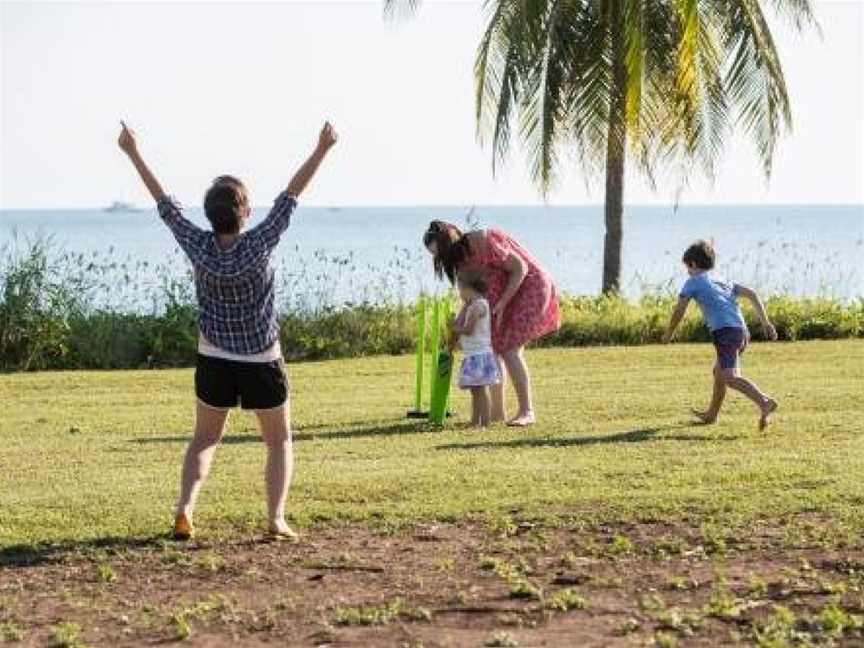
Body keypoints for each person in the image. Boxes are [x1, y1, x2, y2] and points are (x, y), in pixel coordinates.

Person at [117, 119, 338, 541]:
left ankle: (185, 508)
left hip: (214, 356)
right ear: (245, 214)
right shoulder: (259, 242)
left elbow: (165, 204)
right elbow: (291, 196)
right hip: (261, 358)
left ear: (210, 215)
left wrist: (133, 152)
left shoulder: (198, 244)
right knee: (278, 441)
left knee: (204, 439)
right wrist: (322, 148)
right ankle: (275, 519)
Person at [424, 221, 560, 426]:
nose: (441, 260)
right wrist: (455, 334)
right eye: (436, 256)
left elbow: (519, 268)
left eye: (441, 253)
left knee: (510, 349)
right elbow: (469, 300)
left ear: (449, 243)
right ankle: (497, 412)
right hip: (502, 297)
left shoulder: (482, 241)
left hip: (530, 286)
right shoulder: (459, 261)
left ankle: (527, 411)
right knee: (493, 348)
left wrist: (503, 303)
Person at [662, 240, 779, 430]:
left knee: (729, 376)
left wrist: (669, 333)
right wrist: (765, 322)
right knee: (719, 373)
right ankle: (711, 415)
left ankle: (764, 402)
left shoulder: (693, 282)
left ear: (692, 264)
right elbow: (752, 293)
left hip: (725, 333)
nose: (687, 272)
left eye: (687, 267)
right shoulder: (723, 280)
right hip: (741, 332)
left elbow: (679, 310)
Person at [449, 272, 501, 427]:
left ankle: (484, 422)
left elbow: (469, 329)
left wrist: (453, 328)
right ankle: (474, 421)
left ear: (468, 289)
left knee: (481, 390)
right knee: (475, 391)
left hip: (479, 355)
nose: (459, 293)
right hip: (473, 354)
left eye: (460, 289)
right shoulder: (474, 304)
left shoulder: (478, 305)